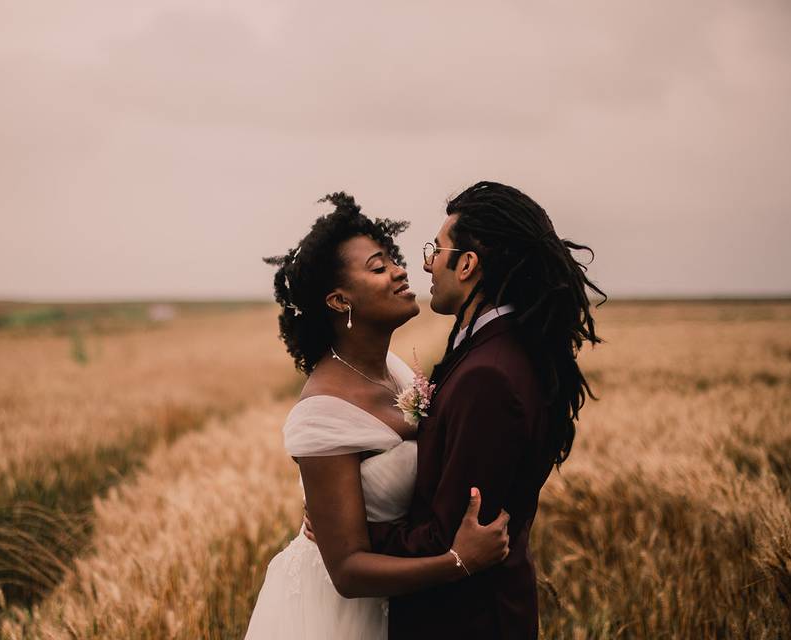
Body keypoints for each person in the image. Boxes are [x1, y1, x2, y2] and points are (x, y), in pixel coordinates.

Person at [307, 181, 606, 638]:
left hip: (465, 620)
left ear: (467, 264)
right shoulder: (494, 351)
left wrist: (347, 535)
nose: (424, 263)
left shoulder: (489, 374)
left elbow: (452, 535)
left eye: (436, 249)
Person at [243, 192, 510, 640]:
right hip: (336, 618)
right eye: (379, 266)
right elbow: (347, 572)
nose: (403, 270)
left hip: (408, 606)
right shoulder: (322, 412)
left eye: (394, 260)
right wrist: (460, 561)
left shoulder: (398, 372)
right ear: (339, 300)